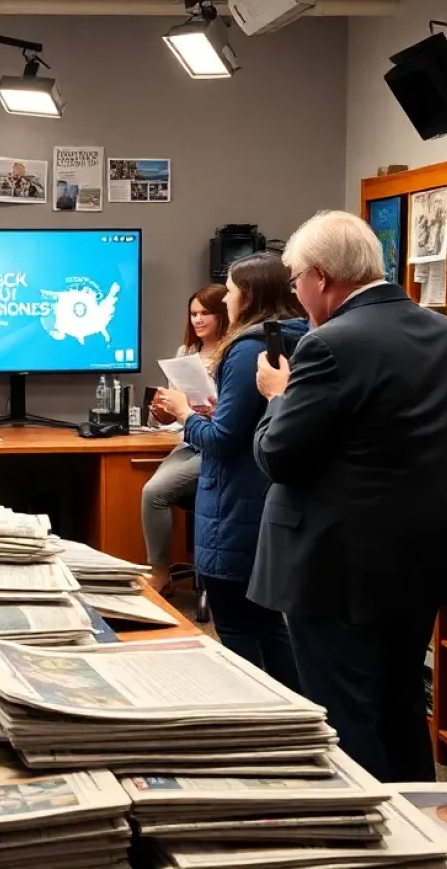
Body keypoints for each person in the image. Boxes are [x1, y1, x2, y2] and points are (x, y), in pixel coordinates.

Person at [250, 210, 447, 782]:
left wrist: (277, 397)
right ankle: (424, 831)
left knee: (346, 716)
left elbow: (277, 456)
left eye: (295, 279)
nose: (296, 293)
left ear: (322, 276)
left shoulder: (329, 344)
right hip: (421, 561)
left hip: (337, 569)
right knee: (402, 705)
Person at [159, 253, 306, 688]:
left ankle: (257, 719)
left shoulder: (245, 349)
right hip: (267, 499)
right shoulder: (300, 336)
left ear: (252, 294)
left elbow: (223, 442)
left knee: (237, 623)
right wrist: (215, 412)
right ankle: (297, 715)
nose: (227, 301)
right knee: (268, 622)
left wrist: (186, 414)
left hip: (235, 504)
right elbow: (250, 421)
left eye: (232, 291)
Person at [142, 285, 227, 595]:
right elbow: (168, 417)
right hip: (188, 438)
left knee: (156, 491)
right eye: (193, 314)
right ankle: (161, 574)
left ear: (223, 315)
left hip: (215, 442)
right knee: (151, 493)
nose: (198, 320)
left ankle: (160, 575)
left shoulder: (234, 352)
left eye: (206, 313)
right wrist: (162, 412)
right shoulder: (186, 354)